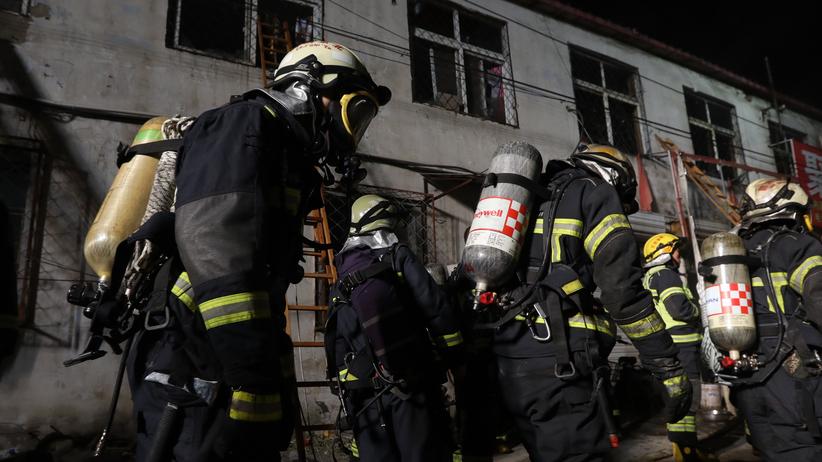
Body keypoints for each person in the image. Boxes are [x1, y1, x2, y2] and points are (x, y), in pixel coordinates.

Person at [126, 41, 390, 461]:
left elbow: (259, 276)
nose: (354, 130)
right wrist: (255, 381)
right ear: (307, 87)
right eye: (355, 110)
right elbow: (218, 253)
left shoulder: (284, 147)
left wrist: (274, 378)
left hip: (219, 350)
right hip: (194, 351)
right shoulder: (245, 125)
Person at [473, 143, 692, 461]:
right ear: (616, 177)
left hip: (506, 357)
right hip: (560, 361)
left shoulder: (529, 196)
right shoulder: (594, 192)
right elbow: (624, 293)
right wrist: (666, 365)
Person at [325, 194, 464, 462]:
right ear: (385, 224)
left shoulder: (343, 273)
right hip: (407, 382)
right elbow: (434, 306)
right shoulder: (397, 256)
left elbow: (337, 336)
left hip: (363, 393)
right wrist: (453, 353)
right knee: (422, 452)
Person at [705, 178, 822, 461]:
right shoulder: (797, 245)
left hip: (747, 378)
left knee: (772, 451)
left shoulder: (734, 253)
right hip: (794, 378)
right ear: (796, 212)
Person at [642, 233, 707, 461]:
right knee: (688, 398)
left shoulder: (651, 276)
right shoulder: (666, 275)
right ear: (665, 252)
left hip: (670, 345)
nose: (680, 255)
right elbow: (680, 310)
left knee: (680, 395)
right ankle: (686, 451)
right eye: (676, 250)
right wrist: (701, 313)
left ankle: (686, 448)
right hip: (682, 346)